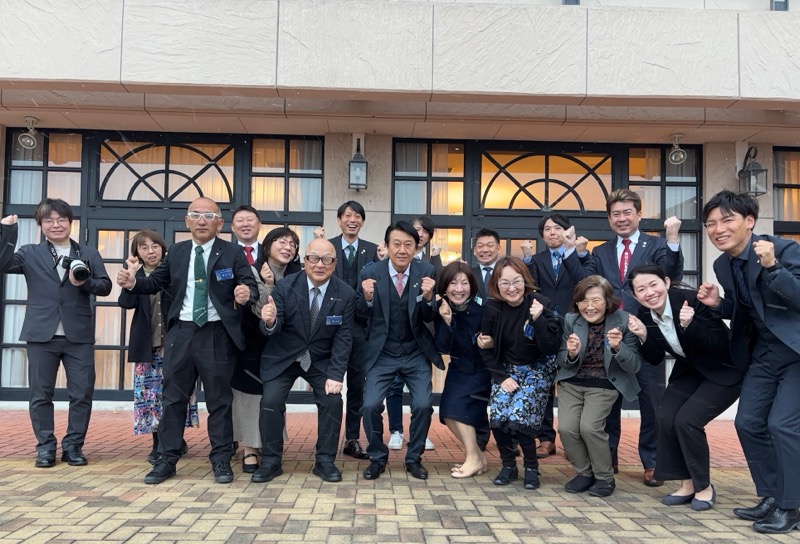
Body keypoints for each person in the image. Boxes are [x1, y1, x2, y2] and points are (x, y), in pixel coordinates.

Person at [116, 197, 258, 485]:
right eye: (196, 215)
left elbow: (249, 285)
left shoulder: (232, 252)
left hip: (217, 334)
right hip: (181, 333)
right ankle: (167, 459)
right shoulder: (178, 252)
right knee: (173, 399)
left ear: (220, 223)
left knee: (219, 400)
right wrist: (133, 283)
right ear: (187, 221)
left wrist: (245, 293)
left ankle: (221, 459)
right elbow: (156, 282)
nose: (202, 221)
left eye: (209, 216)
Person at [697, 190, 800, 534]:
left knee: (782, 425)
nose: (718, 229)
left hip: (796, 351)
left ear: (750, 221)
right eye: (711, 223)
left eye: (727, 220)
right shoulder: (722, 264)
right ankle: (771, 496)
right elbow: (749, 308)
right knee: (748, 423)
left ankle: (791, 506)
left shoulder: (784, 250)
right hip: (764, 354)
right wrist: (719, 305)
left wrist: (772, 266)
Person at [567, 188, 683, 486]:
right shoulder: (601, 252)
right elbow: (584, 281)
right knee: (607, 402)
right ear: (609, 218)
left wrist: (672, 239)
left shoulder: (657, 245)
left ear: (639, 214)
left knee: (652, 402)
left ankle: (652, 462)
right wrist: (573, 251)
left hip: (646, 335)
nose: (621, 218)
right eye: (615, 214)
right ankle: (607, 459)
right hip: (610, 338)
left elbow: (670, 275)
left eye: (627, 212)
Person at [0, 198, 112, 468]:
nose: (56, 224)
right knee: (41, 394)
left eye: (61, 219)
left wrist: (84, 283)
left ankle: (73, 447)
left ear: (70, 222)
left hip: (78, 336)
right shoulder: (29, 252)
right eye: (49, 220)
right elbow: (3, 264)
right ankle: (45, 448)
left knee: (82, 394)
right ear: (40, 225)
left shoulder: (88, 252)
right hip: (41, 334)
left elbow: (105, 286)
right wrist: (8, 231)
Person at [628, 263, 743, 511]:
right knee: (665, 417)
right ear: (635, 295)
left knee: (687, 421)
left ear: (667, 282)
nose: (649, 293)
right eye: (641, 289)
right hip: (689, 370)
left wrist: (691, 325)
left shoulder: (692, 301)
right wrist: (643, 336)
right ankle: (687, 484)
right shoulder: (644, 313)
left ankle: (704, 487)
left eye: (653, 284)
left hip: (724, 369)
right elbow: (655, 358)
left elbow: (719, 344)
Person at [252, 238, 357, 484]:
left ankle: (325, 461)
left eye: (327, 259)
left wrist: (336, 375)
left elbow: (344, 338)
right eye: (314, 258)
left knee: (332, 401)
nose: (320, 264)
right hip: (284, 357)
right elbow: (273, 326)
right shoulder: (286, 286)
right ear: (305, 261)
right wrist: (269, 322)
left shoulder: (345, 294)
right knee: (270, 401)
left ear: (334, 263)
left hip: (321, 360)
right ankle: (270, 461)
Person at [358, 221, 443, 481]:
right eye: (396, 244)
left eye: (408, 244)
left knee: (423, 404)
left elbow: (429, 316)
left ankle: (414, 458)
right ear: (386, 246)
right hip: (382, 353)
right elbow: (360, 316)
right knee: (370, 405)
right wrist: (367, 299)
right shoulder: (370, 272)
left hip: (415, 352)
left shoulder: (426, 271)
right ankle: (377, 457)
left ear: (416, 247)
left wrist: (428, 298)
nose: (402, 250)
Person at [479, 256, 561, 490]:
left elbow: (551, 347)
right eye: (504, 283)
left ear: (525, 280)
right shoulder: (493, 307)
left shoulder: (541, 303)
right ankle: (508, 466)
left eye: (516, 281)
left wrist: (538, 319)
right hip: (507, 370)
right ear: (496, 284)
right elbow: (485, 347)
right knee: (498, 418)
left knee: (519, 418)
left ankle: (531, 468)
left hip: (538, 368)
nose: (511, 288)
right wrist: (502, 377)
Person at [556, 275, 640, 498]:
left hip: (605, 383)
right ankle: (584, 473)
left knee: (590, 428)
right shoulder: (571, 320)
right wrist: (571, 353)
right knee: (566, 428)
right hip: (572, 381)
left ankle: (604, 477)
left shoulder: (624, 320)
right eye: (584, 301)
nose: (589, 307)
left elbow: (634, 364)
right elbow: (562, 360)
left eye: (596, 300)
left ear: (608, 300)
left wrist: (618, 347)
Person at [118, 230, 197, 463]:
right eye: (144, 248)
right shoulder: (136, 274)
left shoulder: (173, 270)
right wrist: (132, 276)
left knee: (175, 393)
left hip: (175, 344)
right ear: (137, 253)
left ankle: (174, 439)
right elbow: (126, 303)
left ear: (163, 248)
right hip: (148, 345)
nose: (150, 251)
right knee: (151, 397)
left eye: (155, 246)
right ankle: (158, 443)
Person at [526, 214, 590, 459]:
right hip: (545, 329)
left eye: (557, 228)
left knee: (572, 386)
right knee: (544, 385)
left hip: (574, 327)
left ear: (567, 231)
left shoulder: (581, 256)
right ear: (542, 235)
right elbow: (530, 289)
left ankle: (574, 441)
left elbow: (584, 282)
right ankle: (545, 439)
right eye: (547, 229)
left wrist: (574, 252)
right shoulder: (536, 260)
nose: (552, 232)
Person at [326, 201, 379, 460]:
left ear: (362, 221)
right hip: (329, 327)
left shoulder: (373, 250)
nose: (352, 220)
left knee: (357, 386)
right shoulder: (328, 247)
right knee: (328, 384)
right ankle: (327, 438)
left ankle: (352, 438)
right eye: (347, 215)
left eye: (357, 216)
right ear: (339, 220)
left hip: (360, 327)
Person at [386, 215, 443, 452]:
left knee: (421, 393)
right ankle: (396, 431)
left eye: (424, 231)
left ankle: (420, 433)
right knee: (394, 387)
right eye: (416, 229)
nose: (419, 234)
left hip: (420, 338)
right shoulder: (389, 259)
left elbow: (437, 298)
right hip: (392, 340)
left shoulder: (430, 265)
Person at [434, 261, 492, 479]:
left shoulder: (483, 309)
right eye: (453, 283)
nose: (459, 289)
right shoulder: (442, 308)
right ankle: (478, 457)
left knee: (458, 411)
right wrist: (447, 321)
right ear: (445, 286)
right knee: (447, 414)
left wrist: (490, 342)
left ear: (472, 286)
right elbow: (442, 347)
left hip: (481, 369)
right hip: (458, 368)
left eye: (464, 283)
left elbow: (498, 340)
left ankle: (473, 457)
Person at [229, 205, 267, 473]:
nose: (245, 224)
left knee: (255, 391)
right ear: (232, 227)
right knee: (227, 390)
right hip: (226, 332)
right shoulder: (223, 253)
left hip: (262, 335)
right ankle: (229, 438)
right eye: (240, 221)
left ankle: (254, 444)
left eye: (250, 220)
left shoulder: (271, 252)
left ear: (259, 224)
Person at [472, 228, 501, 301]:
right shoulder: (469, 274)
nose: (485, 250)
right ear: (475, 251)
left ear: (498, 248)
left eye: (490, 245)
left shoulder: (506, 272)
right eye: (480, 246)